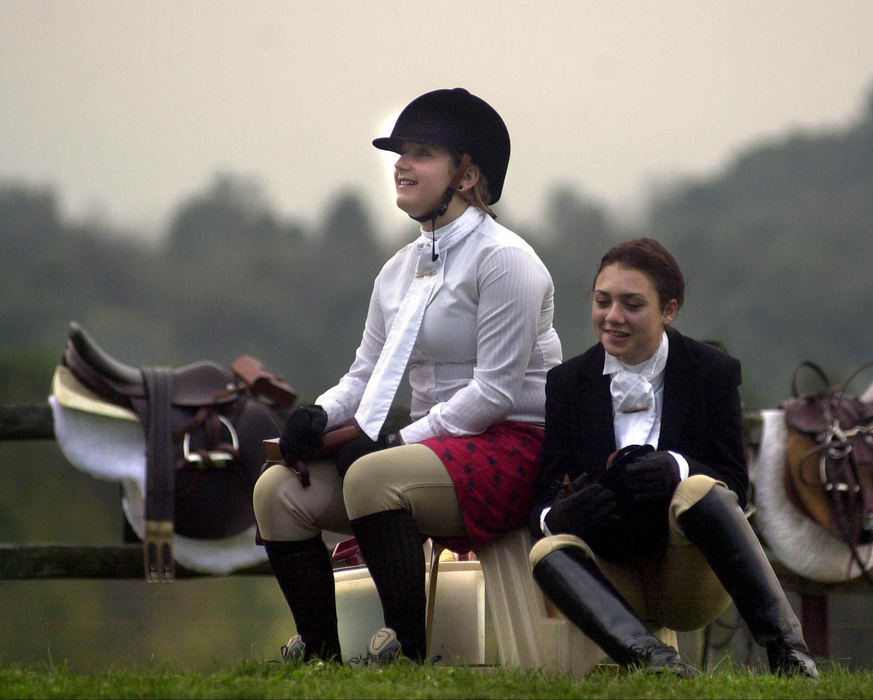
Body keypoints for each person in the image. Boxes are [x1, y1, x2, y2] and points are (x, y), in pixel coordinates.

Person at [253, 87, 561, 665]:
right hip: (428, 455)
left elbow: (494, 393)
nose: (401, 164)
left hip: (514, 449)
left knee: (372, 476)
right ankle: (321, 655)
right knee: (276, 492)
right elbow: (364, 375)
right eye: (401, 152)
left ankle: (406, 653)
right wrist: (317, 414)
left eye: (421, 152)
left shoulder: (507, 261)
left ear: (465, 175)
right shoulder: (398, 269)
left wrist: (399, 442)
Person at [527, 237, 819, 680]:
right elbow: (542, 500)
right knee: (547, 547)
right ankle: (657, 664)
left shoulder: (712, 372)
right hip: (612, 579)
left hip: (690, 579)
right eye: (603, 301)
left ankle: (789, 652)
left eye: (632, 304)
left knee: (699, 488)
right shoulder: (568, 383)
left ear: (669, 310)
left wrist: (677, 468)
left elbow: (737, 489)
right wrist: (561, 513)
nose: (613, 317)